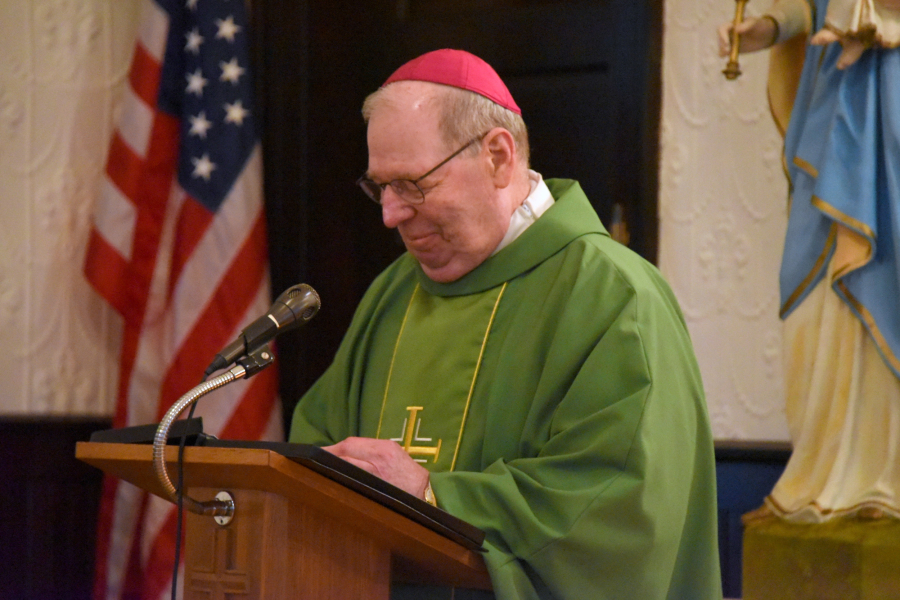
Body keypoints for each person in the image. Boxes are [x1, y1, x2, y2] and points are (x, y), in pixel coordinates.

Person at [289, 48, 722, 599]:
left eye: (412, 184)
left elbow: (615, 508)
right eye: (381, 187)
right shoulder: (394, 292)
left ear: (497, 156)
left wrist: (430, 496)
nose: (390, 214)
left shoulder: (613, 295)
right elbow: (320, 448)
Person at [719, 1, 900, 523]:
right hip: (831, 109)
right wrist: (771, 28)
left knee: (883, 272)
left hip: (889, 99)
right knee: (814, 293)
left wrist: (870, 20)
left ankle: (887, 479)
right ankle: (824, 468)